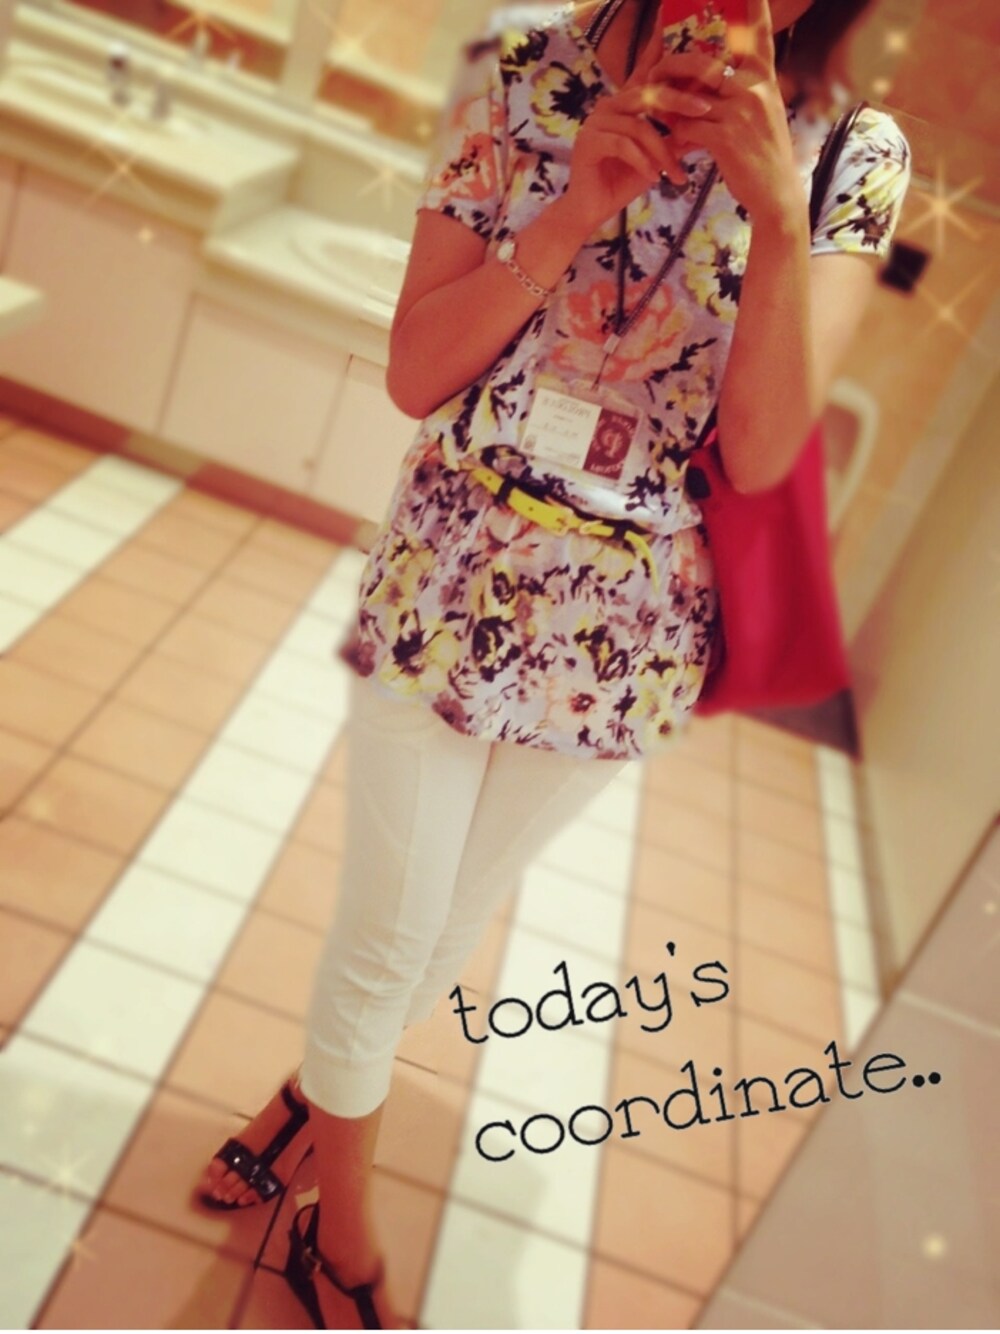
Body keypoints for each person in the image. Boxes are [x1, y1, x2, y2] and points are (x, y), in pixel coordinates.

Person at [194, 0, 910, 1325]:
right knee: (388, 932)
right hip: (451, 570)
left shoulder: (855, 158)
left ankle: (308, 1100)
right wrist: (575, 207)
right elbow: (416, 369)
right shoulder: (520, 64)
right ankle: (340, 1236)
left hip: (627, 634)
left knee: (444, 934)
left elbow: (761, 453)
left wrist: (772, 214)